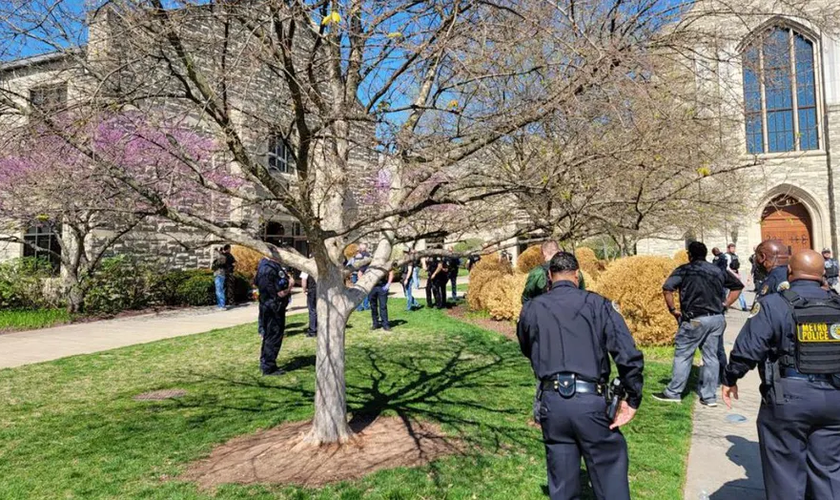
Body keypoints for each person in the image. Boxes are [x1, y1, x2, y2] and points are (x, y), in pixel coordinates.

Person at [517, 252, 644, 500]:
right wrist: (633, 397)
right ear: (577, 275)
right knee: (609, 474)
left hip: (552, 402)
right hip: (591, 402)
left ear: (549, 278)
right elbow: (627, 355)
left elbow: (526, 346)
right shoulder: (598, 305)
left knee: (562, 485)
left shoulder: (532, 308)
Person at [722, 249, 840, 500]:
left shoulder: (775, 304)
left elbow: (748, 348)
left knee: (785, 474)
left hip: (790, 398)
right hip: (835, 400)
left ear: (790, 272)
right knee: (829, 472)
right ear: (823, 274)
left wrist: (731, 378)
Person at [653, 241, 744, 407]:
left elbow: (667, 289)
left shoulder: (685, 270)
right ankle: (709, 397)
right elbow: (738, 287)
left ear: (690, 255)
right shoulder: (718, 270)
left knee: (683, 354)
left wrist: (673, 310)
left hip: (694, 319)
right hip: (716, 319)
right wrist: (726, 303)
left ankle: (674, 392)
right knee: (711, 357)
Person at [255, 256, 292, 376]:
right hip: (272, 308)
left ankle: (269, 363)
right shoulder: (267, 268)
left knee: (273, 335)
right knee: (273, 336)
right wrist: (290, 286)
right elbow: (274, 294)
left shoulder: (272, 266)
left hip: (275, 307)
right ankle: (268, 366)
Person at [522, 241, 586, 304]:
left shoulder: (538, 272)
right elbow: (582, 295)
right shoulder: (574, 271)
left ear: (544, 253)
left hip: (545, 311)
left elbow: (526, 298)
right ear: (558, 251)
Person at [726, 243, 748, 312]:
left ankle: (744, 306)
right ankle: (724, 306)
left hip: (735, 273)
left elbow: (736, 265)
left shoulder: (735, 256)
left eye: (734, 248)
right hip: (729, 274)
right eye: (732, 248)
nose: (733, 249)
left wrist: (738, 274)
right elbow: (727, 267)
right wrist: (734, 274)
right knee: (725, 291)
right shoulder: (727, 256)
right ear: (728, 249)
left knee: (739, 289)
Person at [301, 269, 317, 337]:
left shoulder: (307, 267)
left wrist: (304, 290)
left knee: (312, 310)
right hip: (322, 290)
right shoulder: (323, 266)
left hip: (312, 290)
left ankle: (313, 331)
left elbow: (304, 279)